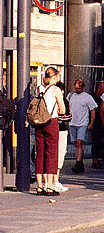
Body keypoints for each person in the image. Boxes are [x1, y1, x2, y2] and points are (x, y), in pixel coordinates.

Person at [34, 67, 66, 196]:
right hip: (51, 122)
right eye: (57, 76)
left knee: (40, 152)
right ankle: (50, 185)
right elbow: (62, 109)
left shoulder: (39, 89)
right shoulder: (56, 90)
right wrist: (59, 109)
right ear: (54, 77)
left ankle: (39, 185)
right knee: (51, 152)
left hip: (39, 123)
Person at [67, 79, 97, 174]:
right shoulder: (71, 96)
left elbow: (93, 110)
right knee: (77, 144)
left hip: (82, 123)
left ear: (83, 87)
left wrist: (91, 123)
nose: (77, 89)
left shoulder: (87, 97)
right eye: (76, 88)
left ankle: (78, 163)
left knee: (79, 143)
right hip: (72, 123)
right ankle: (80, 162)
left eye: (79, 88)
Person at [54, 81, 70, 193]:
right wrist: (60, 119)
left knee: (52, 154)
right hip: (61, 131)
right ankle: (55, 180)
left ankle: (51, 180)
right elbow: (68, 116)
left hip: (54, 129)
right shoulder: (64, 101)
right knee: (59, 155)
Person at [90, 81, 104, 169]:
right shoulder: (93, 98)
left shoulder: (102, 98)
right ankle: (95, 160)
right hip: (96, 122)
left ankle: (101, 158)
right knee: (96, 141)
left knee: (101, 141)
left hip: (100, 122)